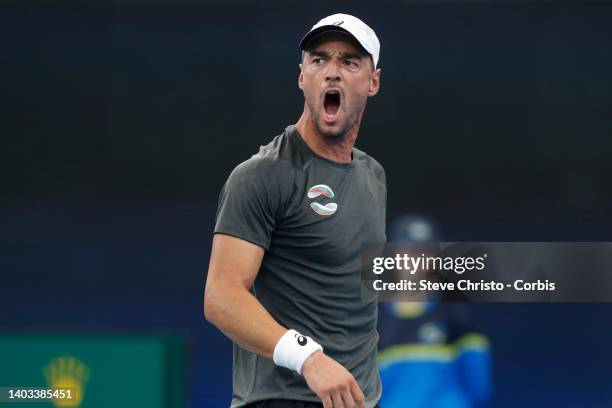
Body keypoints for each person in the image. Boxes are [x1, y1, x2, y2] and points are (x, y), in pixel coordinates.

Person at [204, 13, 385, 408]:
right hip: (280, 399)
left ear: (373, 82)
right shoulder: (261, 175)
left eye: (349, 61)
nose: (331, 73)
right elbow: (221, 297)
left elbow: (347, 284)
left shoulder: (373, 176)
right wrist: (308, 357)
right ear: (302, 76)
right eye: (319, 60)